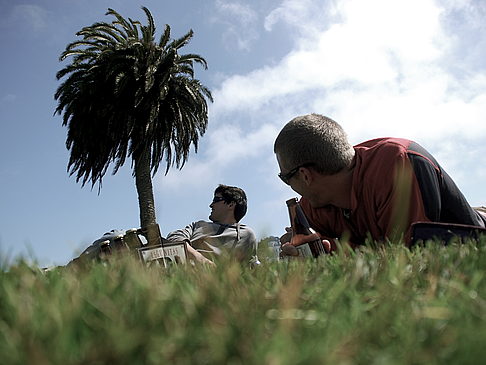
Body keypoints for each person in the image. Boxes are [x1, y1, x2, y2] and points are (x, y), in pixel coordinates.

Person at [274, 113, 486, 255]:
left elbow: (407, 260)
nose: (289, 185)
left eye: (285, 177)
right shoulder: (312, 206)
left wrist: (336, 251)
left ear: (305, 175)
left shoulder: (395, 165)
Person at [166, 184, 258, 265]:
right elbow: (173, 237)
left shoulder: (246, 235)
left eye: (216, 200)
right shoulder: (198, 225)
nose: (211, 205)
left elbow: (251, 268)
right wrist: (199, 258)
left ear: (231, 204)